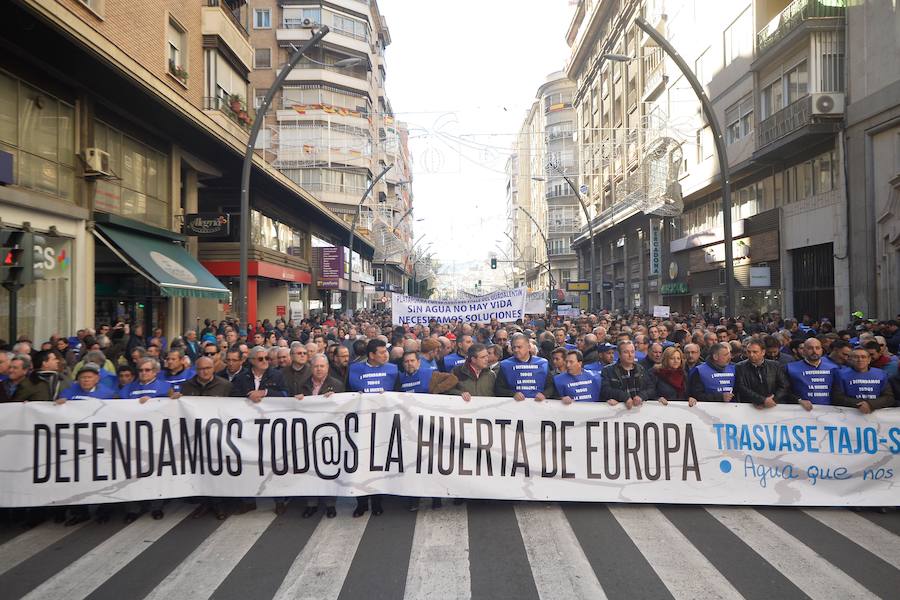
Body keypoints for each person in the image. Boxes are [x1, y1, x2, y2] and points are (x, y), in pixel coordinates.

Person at [346, 339, 398, 517]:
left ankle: (377, 501)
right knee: (360, 464)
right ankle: (361, 503)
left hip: (384, 423)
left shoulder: (393, 369)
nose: (386, 355)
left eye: (386, 351)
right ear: (371, 355)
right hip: (361, 424)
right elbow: (346, 393)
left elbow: (400, 395)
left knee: (379, 463)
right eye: (382, 352)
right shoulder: (354, 369)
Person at [294, 354, 344, 518]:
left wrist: (335, 400)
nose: (319, 369)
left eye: (322, 366)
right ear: (311, 368)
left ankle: (330, 504)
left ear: (327, 368)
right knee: (309, 468)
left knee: (328, 469)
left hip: (328, 435)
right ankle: (311, 503)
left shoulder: (336, 385)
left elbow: (344, 408)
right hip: (307, 434)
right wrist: (296, 400)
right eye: (316, 366)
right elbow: (294, 408)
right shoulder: (302, 385)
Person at [832, 347, 895, 413]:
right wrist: (861, 404)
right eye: (856, 357)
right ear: (850, 359)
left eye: (863, 357)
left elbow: (889, 398)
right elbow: (838, 398)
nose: (860, 360)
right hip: (850, 414)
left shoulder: (881, 374)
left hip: (876, 414)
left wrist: (870, 404)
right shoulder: (841, 374)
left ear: (869, 360)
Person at [495, 333, 553, 401]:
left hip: (538, 405)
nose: (516, 350)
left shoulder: (542, 363)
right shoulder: (505, 365)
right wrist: (512, 394)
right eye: (514, 347)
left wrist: (544, 394)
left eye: (519, 347)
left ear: (528, 347)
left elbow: (551, 387)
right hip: (514, 406)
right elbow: (498, 389)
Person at [785, 338, 838, 410]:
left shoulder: (834, 368)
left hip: (829, 412)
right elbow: (785, 391)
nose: (814, 351)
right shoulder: (790, 368)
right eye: (810, 348)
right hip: (801, 411)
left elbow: (839, 393)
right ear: (803, 351)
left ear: (822, 350)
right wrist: (798, 400)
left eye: (817, 348)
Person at [735, 339, 790, 408]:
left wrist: (772, 400)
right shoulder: (739, 367)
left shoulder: (775, 365)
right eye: (748, 352)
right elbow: (741, 387)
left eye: (755, 352)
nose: (751, 355)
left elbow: (784, 385)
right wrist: (762, 400)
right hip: (750, 407)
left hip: (774, 405)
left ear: (763, 352)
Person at [600, 341, 654, 409]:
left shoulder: (641, 369)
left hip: (639, 412)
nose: (630, 355)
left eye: (632, 352)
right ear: (619, 354)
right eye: (626, 352)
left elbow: (651, 389)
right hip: (618, 413)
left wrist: (642, 396)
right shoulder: (608, 370)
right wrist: (624, 397)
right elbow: (605, 390)